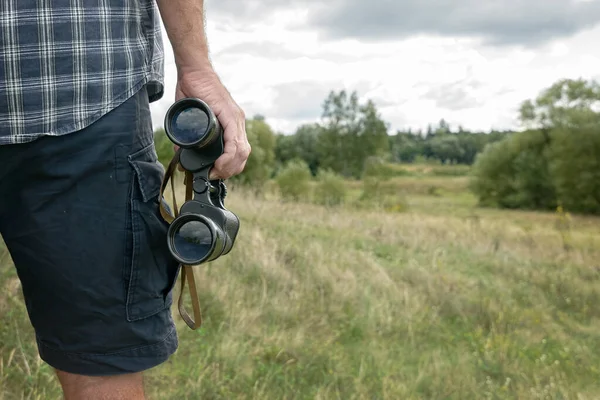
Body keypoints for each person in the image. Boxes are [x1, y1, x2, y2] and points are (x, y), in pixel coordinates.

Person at [0, 1, 250, 399]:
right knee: (102, 365)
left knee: (104, 362)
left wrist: (197, 67)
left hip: (90, 100)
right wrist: (196, 66)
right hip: (89, 80)